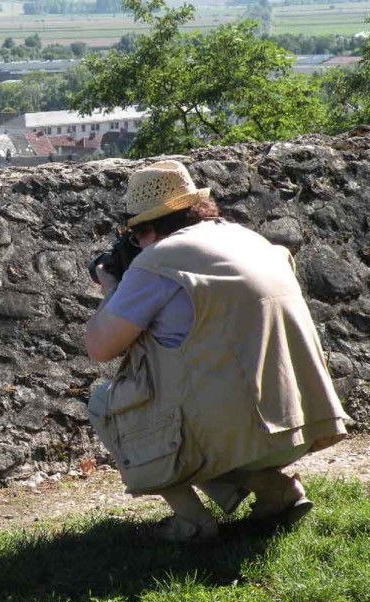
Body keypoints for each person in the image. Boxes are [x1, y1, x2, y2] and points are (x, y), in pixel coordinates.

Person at [86, 160, 348, 542]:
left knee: (103, 402)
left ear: (146, 229)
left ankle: (192, 523)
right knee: (208, 402)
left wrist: (111, 287)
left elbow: (99, 347)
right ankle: (276, 492)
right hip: (298, 423)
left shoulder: (157, 262)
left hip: (232, 431)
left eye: (134, 234)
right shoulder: (249, 239)